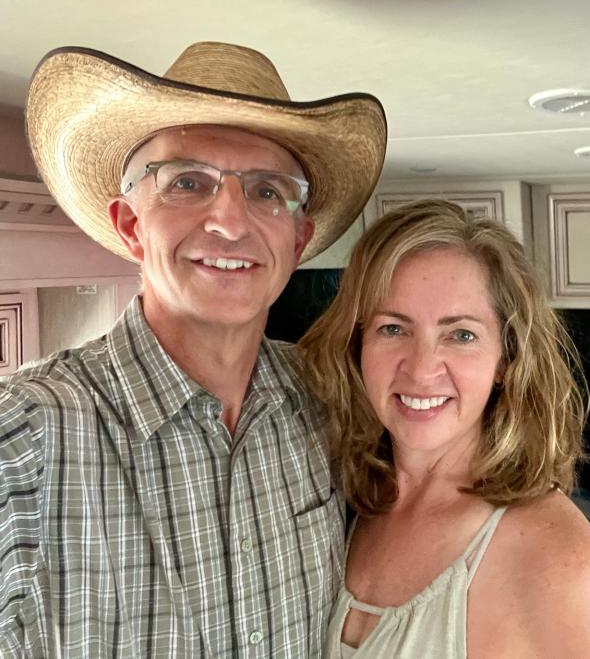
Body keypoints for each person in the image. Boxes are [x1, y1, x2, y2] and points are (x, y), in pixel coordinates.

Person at [0, 42, 386, 655]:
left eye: (266, 191)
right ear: (131, 225)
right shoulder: (26, 437)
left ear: (299, 237)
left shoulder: (329, 398)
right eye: (187, 182)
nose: (230, 222)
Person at [300, 199, 590, 657]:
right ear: (357, 344)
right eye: (393, 329)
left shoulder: (552, 552)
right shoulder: (345, 502)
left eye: (461, 335)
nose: (421, 369)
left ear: (507, 360)